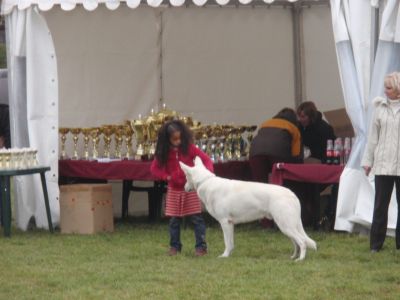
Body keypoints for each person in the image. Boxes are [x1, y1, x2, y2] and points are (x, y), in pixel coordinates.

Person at [150, 119, 214, 256]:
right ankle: (175, 247)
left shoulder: (189, 148)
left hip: (190, 189)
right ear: (167, 139)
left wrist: (208, 173)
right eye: (174, 139)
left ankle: (201, 247)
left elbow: (206, 159)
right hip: (173, 190)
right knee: (174, 221)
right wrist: (166, 177)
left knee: (196, 219)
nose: (178, 141)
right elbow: (154, 169)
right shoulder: (164, 152)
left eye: (180, 138)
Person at [362, 72, 400, 253]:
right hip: (383, 165)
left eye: (389, 87)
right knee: (380, 206)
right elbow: (372, 138)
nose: (385, 90)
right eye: (385, 87)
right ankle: (375, 245)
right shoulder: (379, 108)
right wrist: (367, 161)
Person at [249, 107, 303, 183]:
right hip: (278, 154)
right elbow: (296, 154)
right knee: (281, 182)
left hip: (255, 153)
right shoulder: (293, 128)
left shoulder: (265, 123)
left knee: (260, 183)